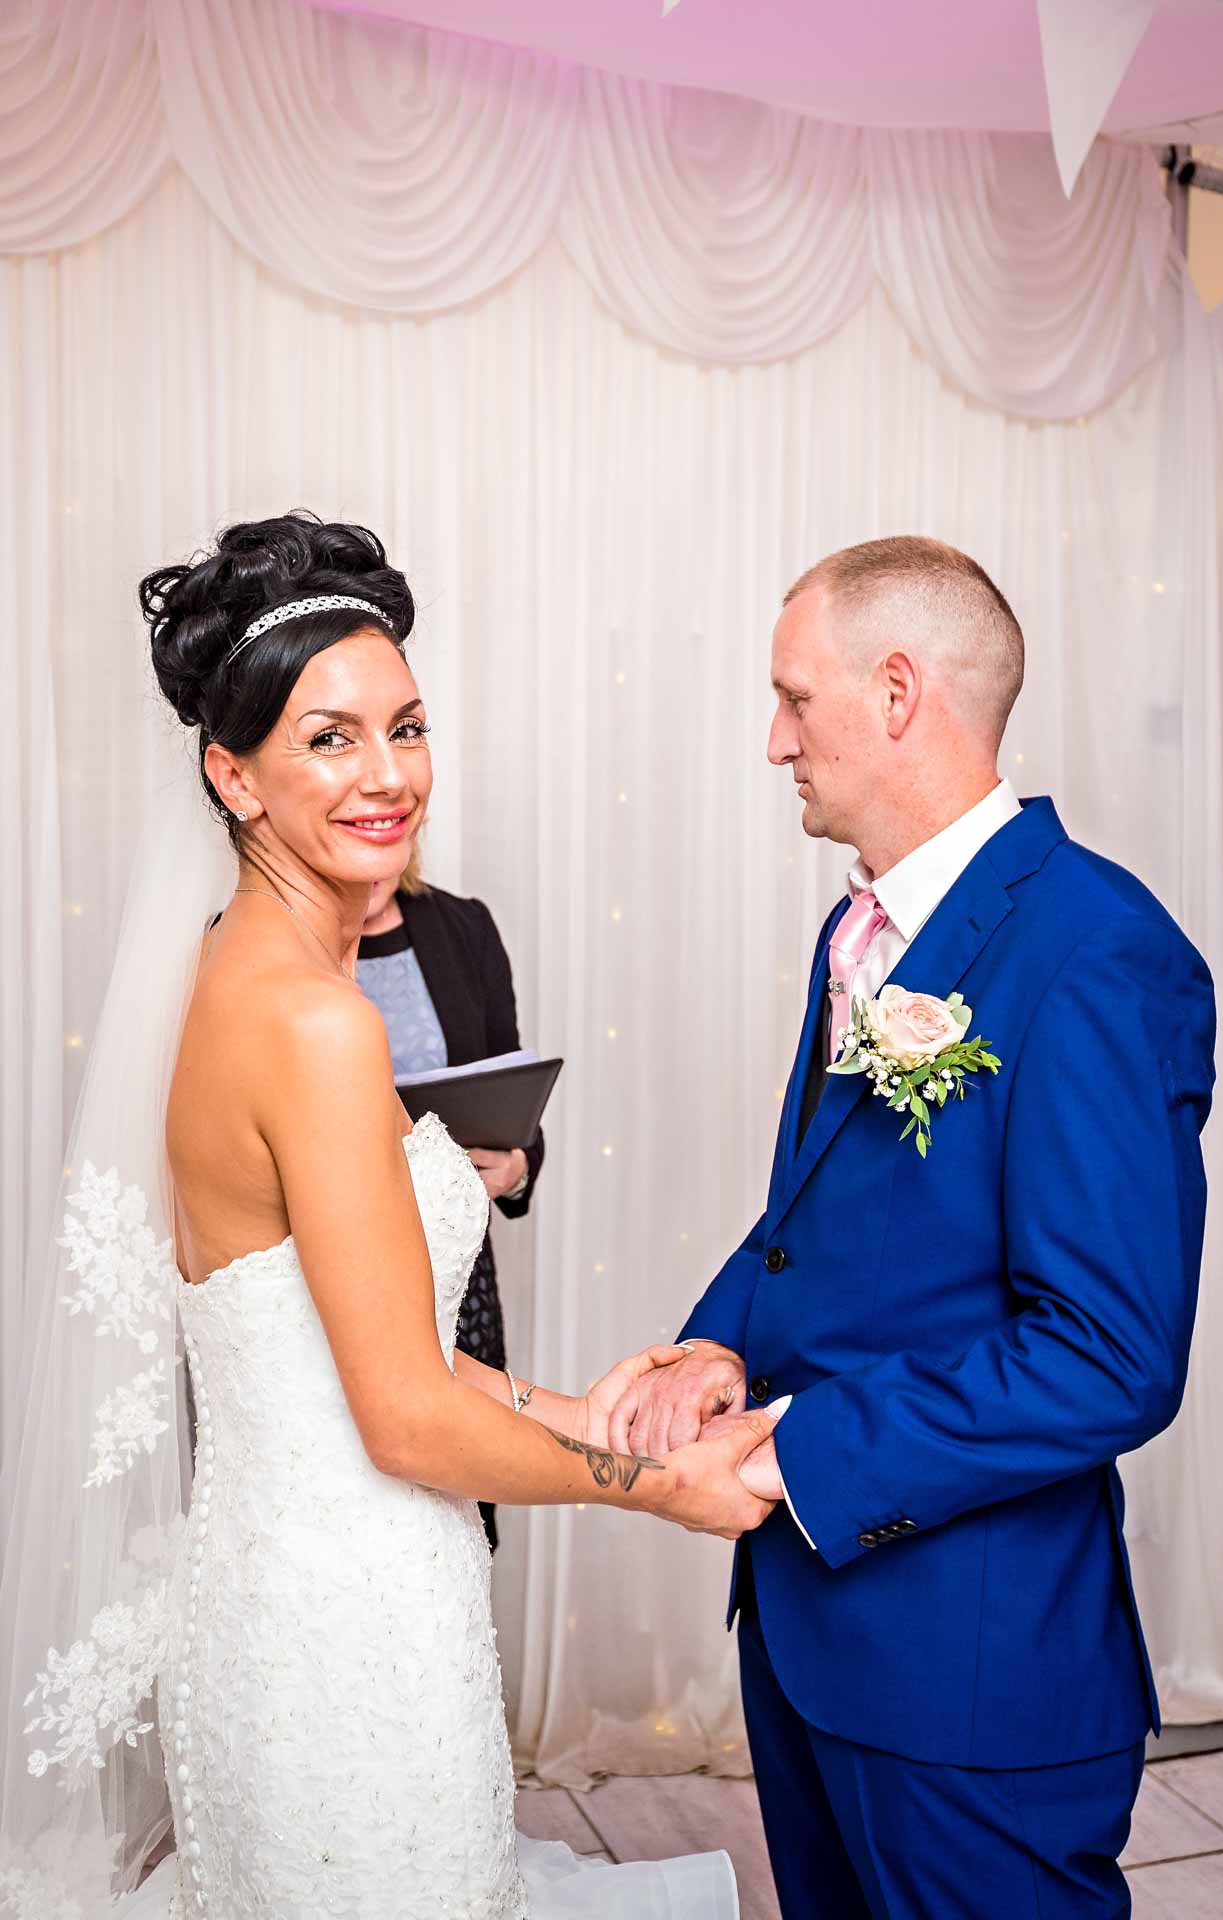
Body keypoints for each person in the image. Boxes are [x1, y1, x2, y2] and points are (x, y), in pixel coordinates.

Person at [3, 513, 769, 1918]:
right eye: (330, 738)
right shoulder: (313, 1026)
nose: (388, 775)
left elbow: (349, 1347)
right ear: (232, 777)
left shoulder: (225, 972)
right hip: (342, 1631)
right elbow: (403, 1418)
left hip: (306, 1591)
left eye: (405, 728)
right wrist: (663, 1487)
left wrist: (579, 1411)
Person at [613, 536, 1214, 1919]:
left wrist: (795, 1458)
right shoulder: (865, 930)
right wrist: (717, 1344)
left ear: (896, 694)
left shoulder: (1091, 949)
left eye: (793, 698)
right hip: (813, 1633)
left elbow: (1109, 1354)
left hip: (968, 1674)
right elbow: (827, 1211)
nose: (774, 742)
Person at [358, 845, 545, 1549]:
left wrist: (516, 1167)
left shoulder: (462, 928)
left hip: (456, 1284)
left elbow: (512, 1094)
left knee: (455, 1522)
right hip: (328, 1276)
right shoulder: (257, 944)